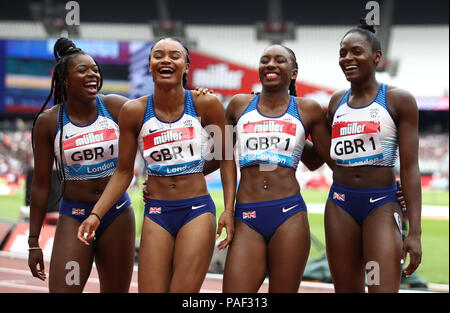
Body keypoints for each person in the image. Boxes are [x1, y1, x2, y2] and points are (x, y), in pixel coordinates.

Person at [77, 37, 234, 293]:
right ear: (149, 65)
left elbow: (227, 158)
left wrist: (228, 209)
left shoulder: (207, 103)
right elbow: (123, 171)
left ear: (186, 67)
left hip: (196, 210)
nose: (166, 60)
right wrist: (96, 214)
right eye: (158, 55)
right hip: (157, 212)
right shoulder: (133, 111)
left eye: (175, 55)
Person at [221, 44, 334, 293]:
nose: (271, 64)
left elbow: (321, 161)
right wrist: (228, 209)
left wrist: (294, 134)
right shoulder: (238, 105)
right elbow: (222, 157)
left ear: (293, 72)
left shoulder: (308, 109)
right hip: (246, 215)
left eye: (279, 60)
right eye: (265, 60)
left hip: (288, 214)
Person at [28, 38, 136, 292]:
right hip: (75, 215)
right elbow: (41, 187)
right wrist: (34, 242)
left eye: (95, 69)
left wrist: (198, 97)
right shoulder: (48, 122)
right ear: (65, 79)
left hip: (117, 214)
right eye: (83, 70)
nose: (92, 75)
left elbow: (158, 115)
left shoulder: (116, 107)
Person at [324, 20, 422, 292]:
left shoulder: (399, 100)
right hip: (340, 204)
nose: (347, 59)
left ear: (377, 57)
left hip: (381, 204)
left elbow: (411, 168)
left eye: (356, 51)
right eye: (342, 53)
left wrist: (414, 231)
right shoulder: (335, 102)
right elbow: (318, 152)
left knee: (380, 287)